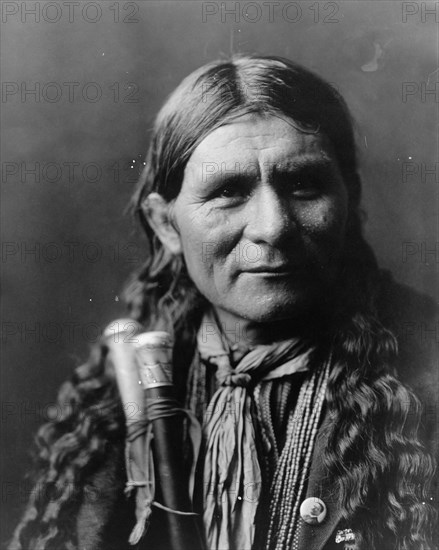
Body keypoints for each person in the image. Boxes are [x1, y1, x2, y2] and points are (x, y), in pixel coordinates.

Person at [9, 55, 437, 550]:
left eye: (303, 184)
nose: (272, 226)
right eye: (229, 191)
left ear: (349, 197)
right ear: (166, 225)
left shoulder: (426, 371)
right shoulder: (114, 396)